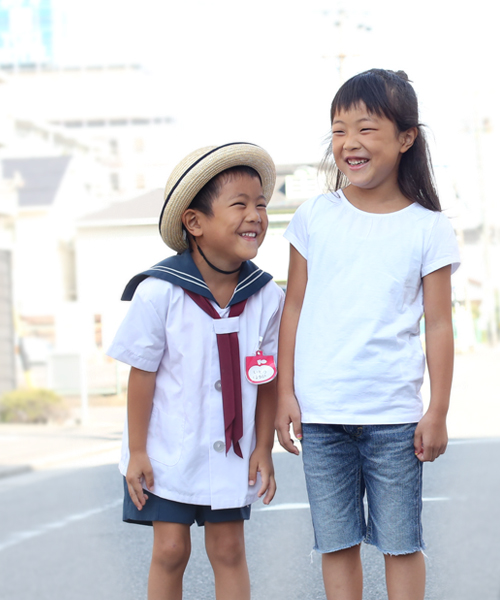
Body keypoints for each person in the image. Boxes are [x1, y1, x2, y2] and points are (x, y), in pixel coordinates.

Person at [276, 69, 460, 600]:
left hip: (393, 415)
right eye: (338, 131)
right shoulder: (314, 216)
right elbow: (294, 306)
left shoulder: (428, 227)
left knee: (401, 543)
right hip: (323, 413)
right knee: (334, 544)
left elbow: (440, 324)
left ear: (405, 139)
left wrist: (438, 409)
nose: (349, 144)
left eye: (365, 129)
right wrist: (285, 392)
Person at [107, 143, 284, 600]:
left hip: (232, 451)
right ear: (195, 223)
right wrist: (139, 450)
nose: (255, 215)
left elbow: (266, 379)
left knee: (228, 550)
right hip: (168, 447)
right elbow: (141, 375)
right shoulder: (159, 291)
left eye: (261, 204)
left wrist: (262, 446)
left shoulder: (265, 297)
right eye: (240, 204)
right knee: (169, 549)